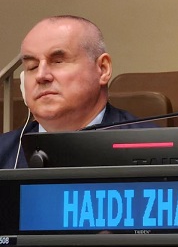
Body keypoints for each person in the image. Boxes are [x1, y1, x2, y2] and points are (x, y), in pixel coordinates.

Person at [0, 15, 141, 169]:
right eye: (32, 66)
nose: (41, 76)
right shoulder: (4, 152)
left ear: (102, 69)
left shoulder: (149, 145)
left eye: (58, 62)